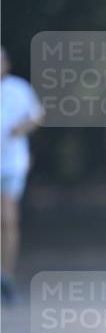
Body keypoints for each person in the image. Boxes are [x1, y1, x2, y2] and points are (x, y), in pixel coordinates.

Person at [0, 45, 44, 303]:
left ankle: (6, 273)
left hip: (12, 164)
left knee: (7, 218)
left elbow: (37, 116)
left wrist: (21, 128)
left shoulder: (19, 88)